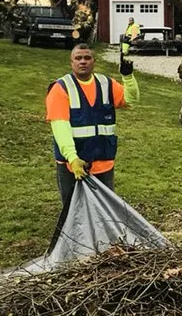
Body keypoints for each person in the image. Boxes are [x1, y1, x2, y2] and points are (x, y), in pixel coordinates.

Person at [46, 43, 139, 226]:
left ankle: (104, 248)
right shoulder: (60, 88)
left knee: (105, 212)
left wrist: (128, 77)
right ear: (71, 62)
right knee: (74, 213)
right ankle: (76, 250)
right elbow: (60, 127)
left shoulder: (106, 84)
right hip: (72, 166)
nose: (83, 62)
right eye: (78, 58)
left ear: (94, 61)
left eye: (87, 58)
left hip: (103, 163)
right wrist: (73, 158)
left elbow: (131, 100)